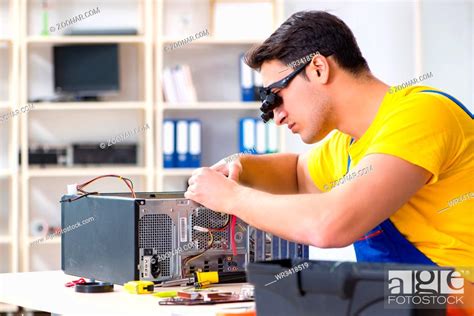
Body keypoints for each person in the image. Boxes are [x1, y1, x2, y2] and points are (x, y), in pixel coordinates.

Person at [185, 11, 473, 270]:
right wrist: (239, 167)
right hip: (406, 294)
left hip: (459, 294)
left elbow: (329, 225)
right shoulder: (347, 145)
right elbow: (297, 174)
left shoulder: (423, 114)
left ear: (318, 68)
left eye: (276, 95)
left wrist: (232, 198)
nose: (278, 116)